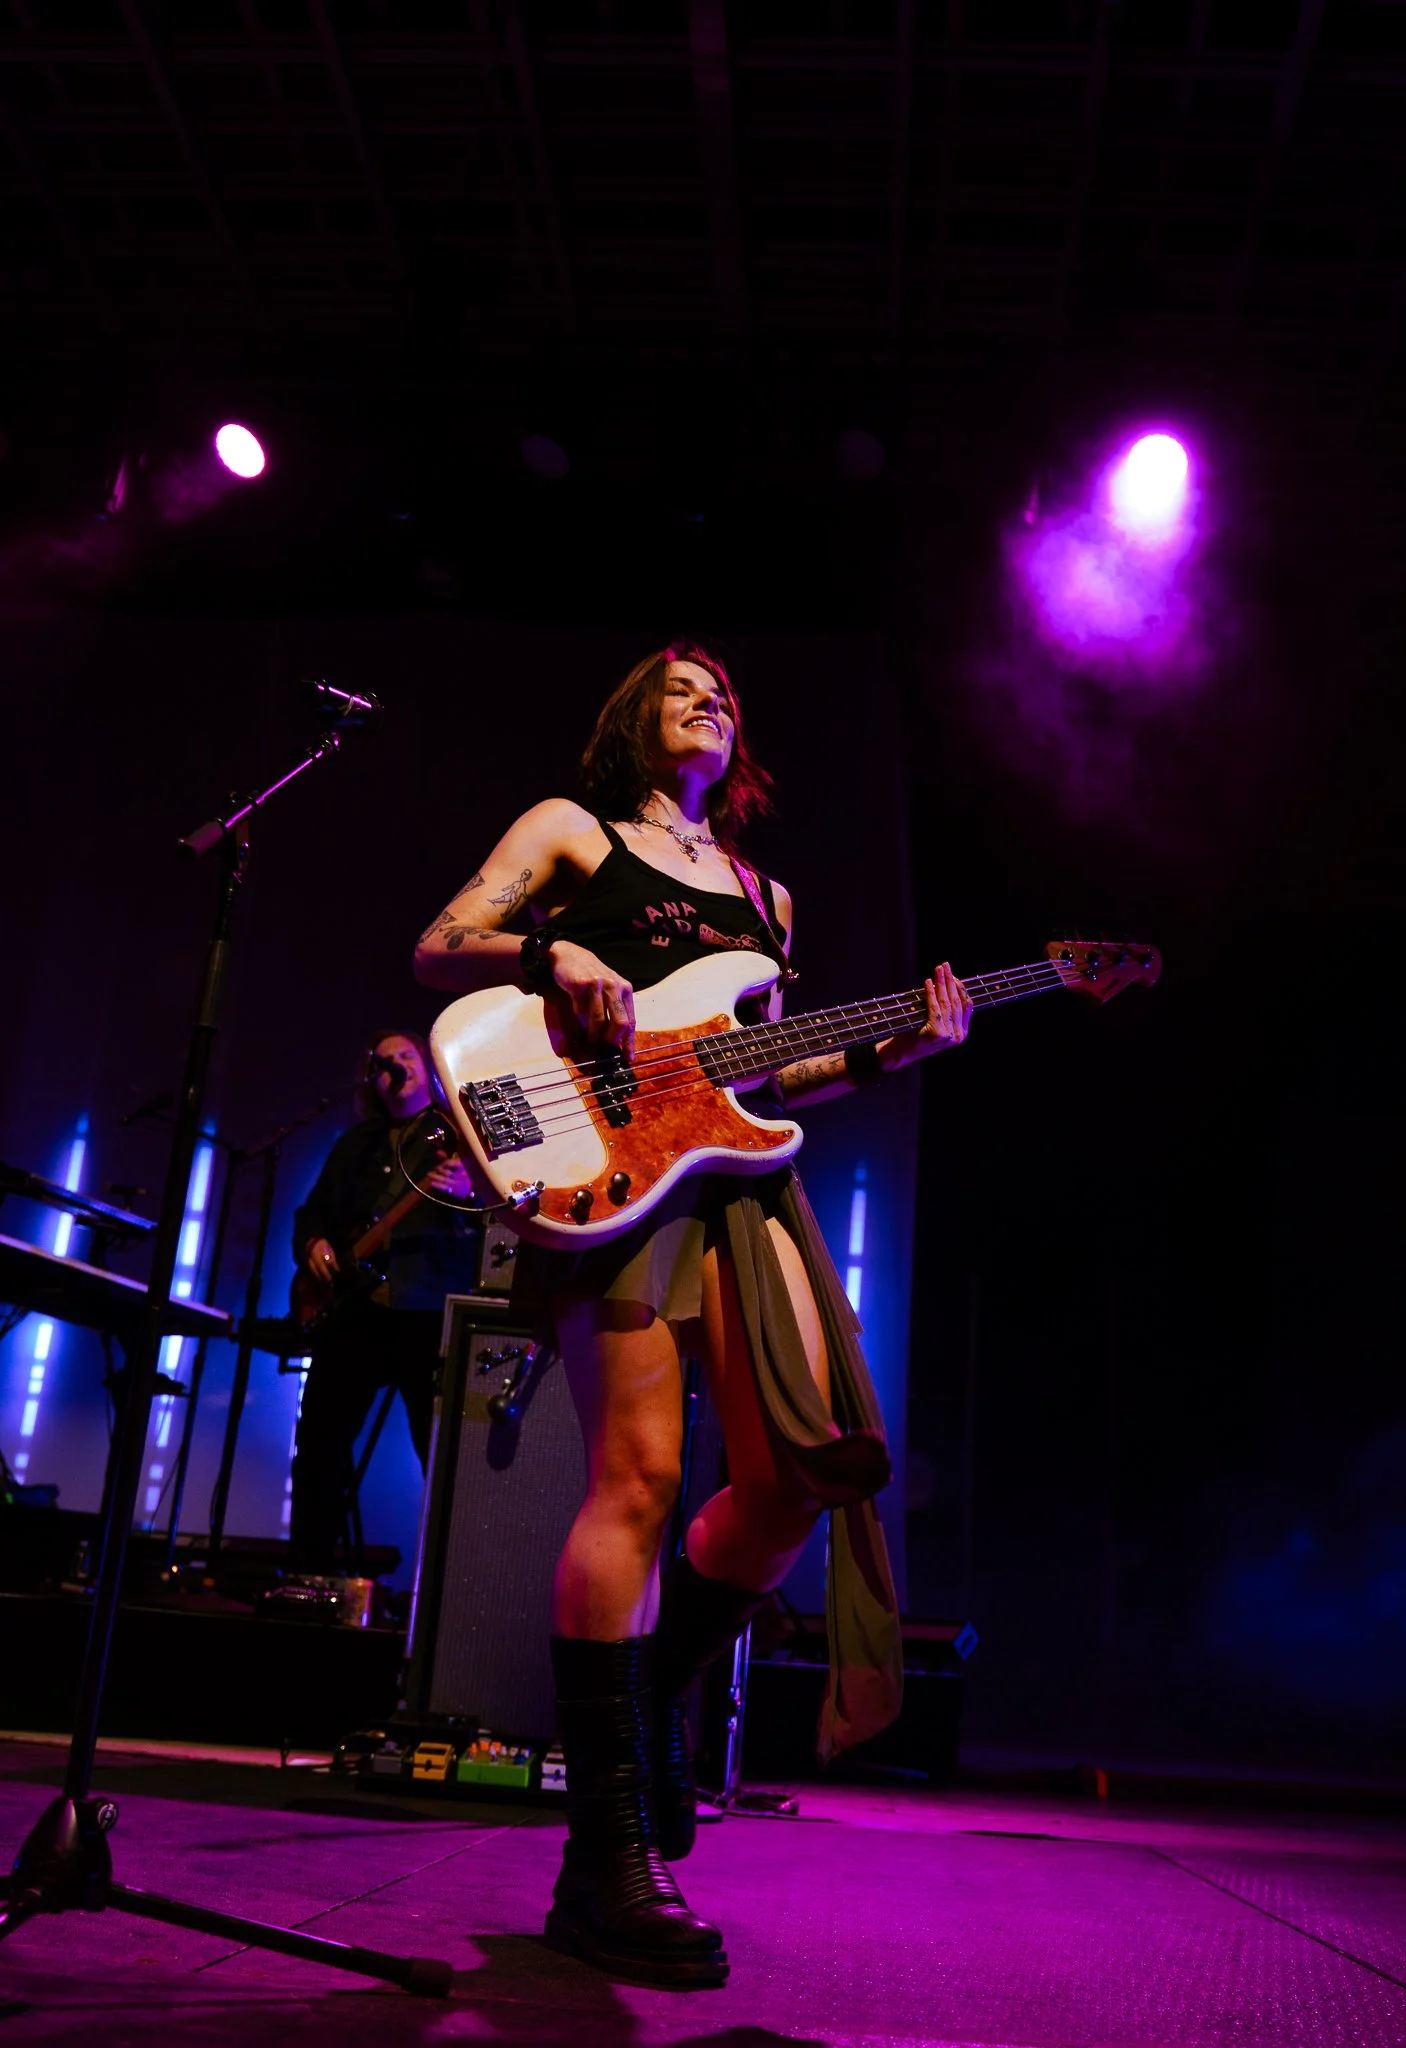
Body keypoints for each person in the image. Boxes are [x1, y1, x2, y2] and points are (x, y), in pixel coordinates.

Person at [415, 643, 972, 1987]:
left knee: (805, 1468)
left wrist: (890, 1048)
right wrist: (554, 958)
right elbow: (441, 946)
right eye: (678, 687)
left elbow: (766, 1074)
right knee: (642, 1479)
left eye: (721, 690)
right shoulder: (571, 833)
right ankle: (604, 1859)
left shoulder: (762, 895)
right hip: (604, 1176)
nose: (706, 700)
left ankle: (656, 1694)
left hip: (742, 1189)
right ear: (630, 720)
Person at [288, 1028, 478, 1572]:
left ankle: (447, 1585)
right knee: (320, 1445)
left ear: (429, 1065)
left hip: (429, 1315)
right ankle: (309, 1576)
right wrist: (313, 1243)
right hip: (355, 1313)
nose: (395, 1066)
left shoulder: (462, 1135)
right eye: (382, 1062)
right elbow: (312, 1213)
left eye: (406, 1056)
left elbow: (503, 1215)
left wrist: (471, 1193)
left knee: (439, 1455)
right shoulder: (356, 1145)